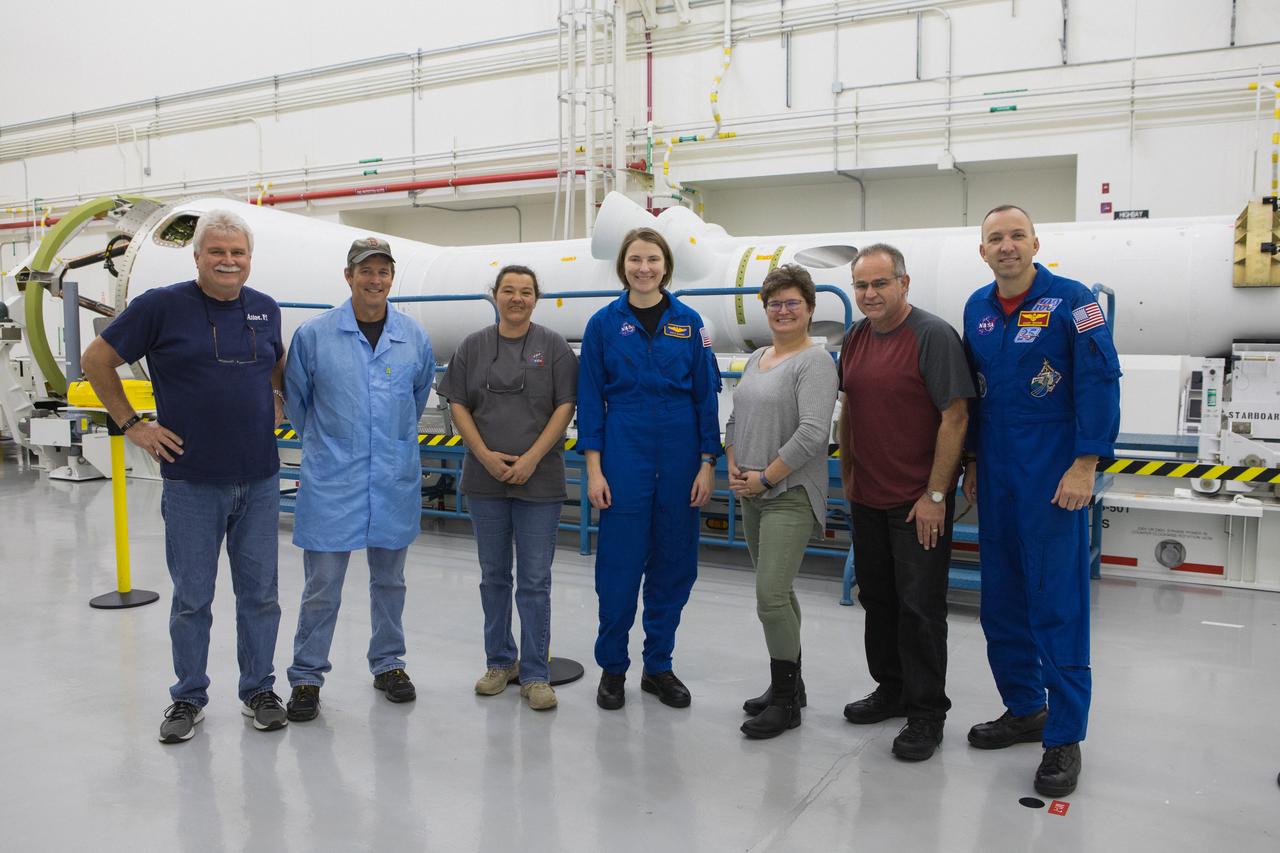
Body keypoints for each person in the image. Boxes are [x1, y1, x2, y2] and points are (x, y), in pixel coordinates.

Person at [81, 209, 289, 743]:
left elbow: (274, 364)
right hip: (193, 481)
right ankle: (188, 697)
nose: (228, 261)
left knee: (260, 596)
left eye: (237, 252)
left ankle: (258, 690)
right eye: (216, 252)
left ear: (249, 258)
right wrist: (132, 424)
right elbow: (96, 360)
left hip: (260, 480)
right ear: (197, 256)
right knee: (193, 598)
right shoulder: (161, 307)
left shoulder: (264, 310)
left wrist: (276, 395)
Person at [962, 205, 1121, 797]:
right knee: (1001, 600)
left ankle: (1064, 735)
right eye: (995, 238)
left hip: (1054, 476)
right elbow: (975, 397)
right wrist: (974, 462)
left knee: (1056, 602)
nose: (1007, 246)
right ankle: (1025, 708)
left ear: (1035, 242)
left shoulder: (1074, 301)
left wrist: (1086, 463)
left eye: (1016, 236)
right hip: (998, 473)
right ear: (983, 251)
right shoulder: (976, 308)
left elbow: (1100, 378)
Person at [281, 237, 434, 722]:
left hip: (392, 480)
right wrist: (334, 448)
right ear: (348, 276)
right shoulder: (314, 335)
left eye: (383, 271)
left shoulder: (414, 337)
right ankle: (307, 676)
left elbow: (417, 395)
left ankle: (389, 664)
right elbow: (298, 404)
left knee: (391, 581)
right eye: (364, 271)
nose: (374, 279)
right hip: (332, 481)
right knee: (323, 584)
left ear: (392, 278)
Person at [838, 244, 974, 762]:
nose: (870, 294)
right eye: (861, 286)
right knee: (879, 601)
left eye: (880, 284)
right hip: (867, 497)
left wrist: (936, 494)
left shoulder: (932, 336)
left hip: (917, 502)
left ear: (904, 283)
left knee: (920, 608)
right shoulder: (855, 338)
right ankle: (891, 689)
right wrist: (849, 471)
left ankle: (926, 713)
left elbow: (955, 416)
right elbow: (850, 404)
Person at [577, 226, 722, 710]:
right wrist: (595, 471)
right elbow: (590, 403)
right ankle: (613, 669)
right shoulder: (602, 324)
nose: (644, 268)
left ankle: (658, 666)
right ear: (624, 266)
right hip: (624, 452)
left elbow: (706, 397)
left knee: (675, 565)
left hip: (681, 455)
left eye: (653, 260)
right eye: (635, 259)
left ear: (666, 266)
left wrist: (706, 463)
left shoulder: (689, 321)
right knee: (618, 569)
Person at [438, 265, 578, 711]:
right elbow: (457, 402)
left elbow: (565, 405)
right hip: (485, 481)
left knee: (535, 581)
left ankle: (536, 674)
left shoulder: (553, 347)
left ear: (537, 298)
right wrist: (483, 454)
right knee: (493, 577)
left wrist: (533, 458)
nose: (517, 298)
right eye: (508, 290)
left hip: (540, 480)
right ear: (494, 295)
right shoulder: (473, 346)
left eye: (526, 292)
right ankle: (500, 662)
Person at [725, 264, 837, 739]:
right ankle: (790, 684)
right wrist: (733, 461)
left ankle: (786, 703)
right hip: (751, 490)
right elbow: (736, 418)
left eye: (792, 303)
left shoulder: (816, 361)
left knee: (770, 596)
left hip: (786, 492)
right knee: (780, 593)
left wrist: (765, 478)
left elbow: (813, 432)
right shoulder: (757, 358)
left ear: (810, 309)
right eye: (775, 303)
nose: (783, 311)